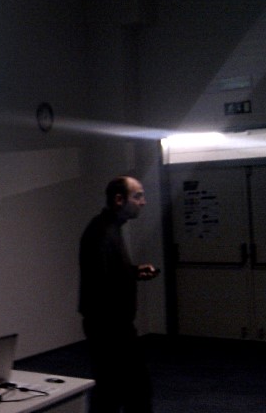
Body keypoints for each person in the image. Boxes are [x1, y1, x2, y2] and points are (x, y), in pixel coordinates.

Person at [79, 176, 159, 413]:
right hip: (110, 327)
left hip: (112, 325)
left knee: (114, 391)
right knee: (127, 391)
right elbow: (101, 283)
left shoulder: (109, 228)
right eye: (138, 196)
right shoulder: (102, 233)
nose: (143, 202)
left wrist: (133, 272)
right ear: (118, 200)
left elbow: (110, 274)